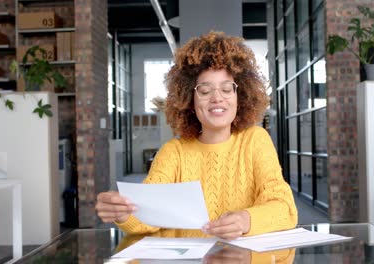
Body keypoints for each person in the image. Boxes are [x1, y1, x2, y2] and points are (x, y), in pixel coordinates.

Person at [96, 31, 298, 240]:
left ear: (241, 96)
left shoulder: (256, 140)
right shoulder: (174, 152)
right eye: (204, 90)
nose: (217, 98)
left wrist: (246, 220)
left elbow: (285, 208)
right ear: (190, 101)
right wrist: (123, 212)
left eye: (227, 89)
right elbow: (147, 217)